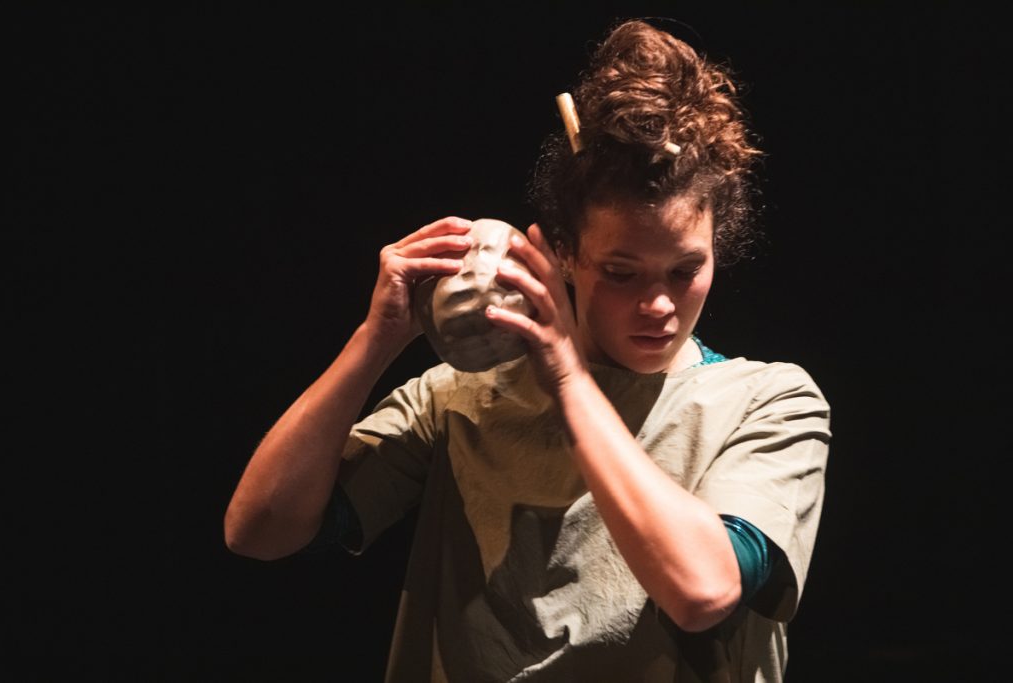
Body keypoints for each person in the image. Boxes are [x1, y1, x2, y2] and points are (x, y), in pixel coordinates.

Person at [224, 18, 830, 683]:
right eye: (621, 273)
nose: (658, 305)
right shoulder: (462, 395)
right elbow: (259, 530)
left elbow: (701, 590)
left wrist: (569, 381)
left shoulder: (769, 401)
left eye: (686, 270)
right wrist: (378, 337)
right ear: (562, 252)